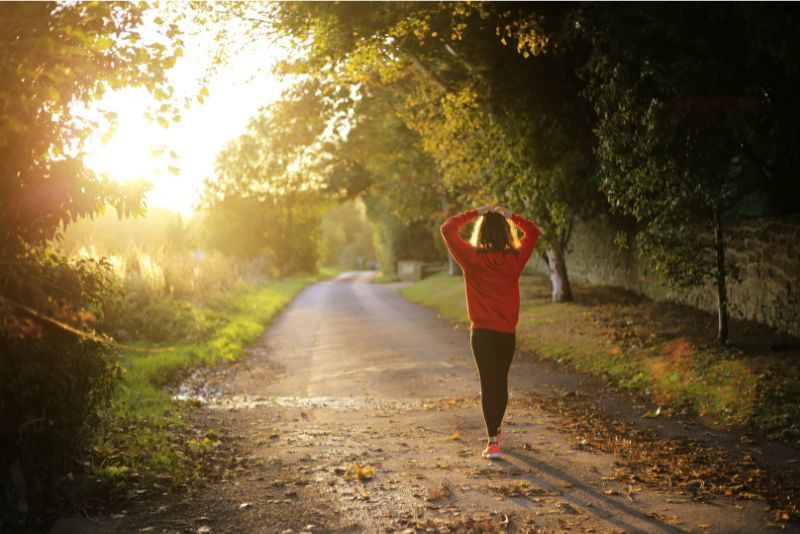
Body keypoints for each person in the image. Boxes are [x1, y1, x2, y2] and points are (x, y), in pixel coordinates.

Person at [440, 205, 540, 459]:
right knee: (500, 381)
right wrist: (512, 216)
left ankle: (493, 440)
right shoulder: (515, 259)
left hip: (482, 333)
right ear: (506, 233)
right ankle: (496, 430)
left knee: (488, 383)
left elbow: (447, 228)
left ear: (480, 232)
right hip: (506, 333)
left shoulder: (471, 258)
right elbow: (533, 232)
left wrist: (474, 212)